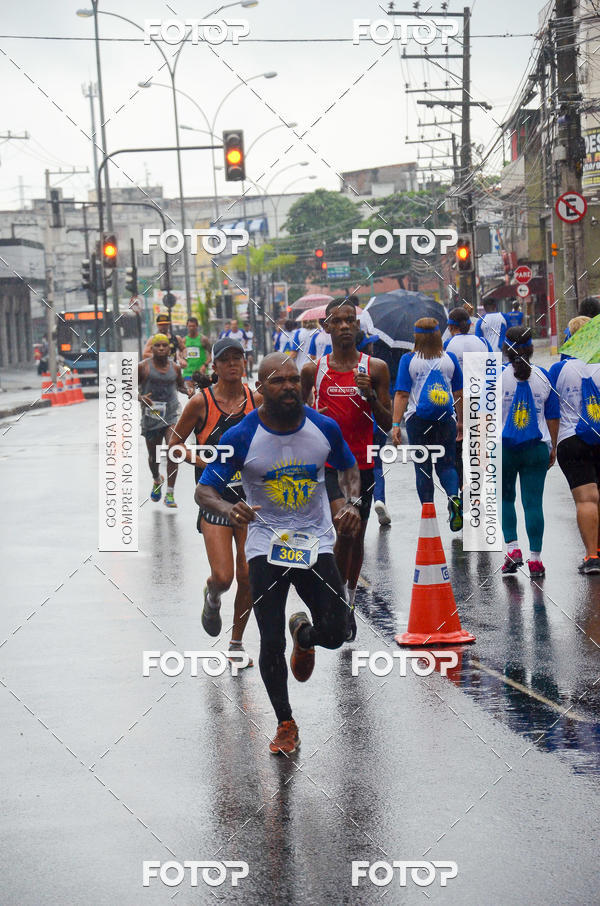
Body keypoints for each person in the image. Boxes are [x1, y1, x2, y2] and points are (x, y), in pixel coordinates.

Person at [196, 353, 361, 755]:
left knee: (338, 631)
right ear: (260, 388)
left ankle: (304, 635)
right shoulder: (241, 435)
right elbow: (205, 490)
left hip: (314, 542)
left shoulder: (324, 427)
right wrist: (228, 509)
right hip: (265, 547)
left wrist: (351, 504)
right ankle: (285, 723)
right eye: (277, 381)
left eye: (293, 380)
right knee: (270, 640)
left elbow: (348, 468)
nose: (288, 387)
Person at [301, 298, 392, 640]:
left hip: (362, 465)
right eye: (337, 321)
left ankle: (349, 600)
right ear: (326, 327)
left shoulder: (375, 368)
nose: (343, 326)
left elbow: (387, 423)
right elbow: (298, 415)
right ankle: (336, 601)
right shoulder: (313, 370)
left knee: (355, 537)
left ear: (357, 325)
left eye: (349, 320)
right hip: (327, 465)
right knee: (344, 528)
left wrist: (371, 397)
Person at [169, 338, 260, 662]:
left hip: (250, 502)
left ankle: (236, 643)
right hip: (214, 500)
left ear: (244, 363)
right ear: (215, 365)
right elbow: (174, 445)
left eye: (238, 358)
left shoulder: (256, 400)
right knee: (224, 577)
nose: (232, 364)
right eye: (226, 359)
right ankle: (213, 596)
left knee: (248, 575)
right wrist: (201, 460)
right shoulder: (200, 402)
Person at [391, 318, 463, 531]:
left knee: (422, 467)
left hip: (417, 421)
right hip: (446, 419)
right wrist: (461, 421)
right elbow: (459, 392)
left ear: (416, 336)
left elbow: (402, 394)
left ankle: (429, 515)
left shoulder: (408, 360)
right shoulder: (450, 359)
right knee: (447, 465)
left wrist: (396, 424)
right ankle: (453, 497)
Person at [500, 327, 559, 578]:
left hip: (504, 448)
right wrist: (553, 446)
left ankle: (512, 550)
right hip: (536, 447)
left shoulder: (494, 378)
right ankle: (536, 560)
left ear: (505, 349)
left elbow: (483, 417)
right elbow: (553, 416)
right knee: (533, 503)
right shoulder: (543, 377)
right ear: (531, 348)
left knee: (506, 499)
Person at [550, 316, 600, 574]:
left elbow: (551, 411)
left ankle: (592, 556)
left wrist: (551, 444)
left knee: (586, 499)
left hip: (572, 440)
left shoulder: (559, 369)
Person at [138, 334, 193, 507]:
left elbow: (180, 386)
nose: (161, 348)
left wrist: (188, 391)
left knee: (173, 449)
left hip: (171, 414)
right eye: (158, 345)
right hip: (151, 416)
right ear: (152, 349)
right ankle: (157, 479)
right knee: (153, 457)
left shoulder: (175, 368)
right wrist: (141, 398)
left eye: (164, 345)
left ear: (169, 348)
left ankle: (170, 492)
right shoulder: (143, 367)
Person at [181, 317, 211, 386]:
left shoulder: (203, 339)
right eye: (190, 326)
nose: (191, 328)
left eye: (193, 326)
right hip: (188, 372)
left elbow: (211, 354)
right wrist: (182, 361)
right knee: (191, 391)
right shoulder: (184, 340)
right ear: (187, 326)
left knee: (204, 391)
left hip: (201, 371)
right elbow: (180, 355)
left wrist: (205, 365)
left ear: (197, 326)